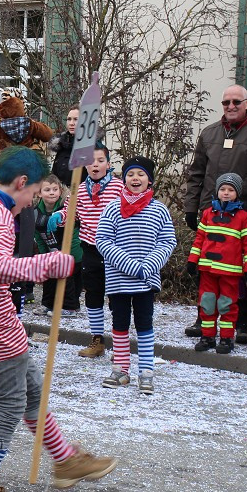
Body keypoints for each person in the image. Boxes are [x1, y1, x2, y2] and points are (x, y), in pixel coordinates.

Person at [0, 146, 115, 492]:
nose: (30, 204)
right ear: (21, 183)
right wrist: (46, 263)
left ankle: (65, 460)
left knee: (32, 389)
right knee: (9, 405)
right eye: (34, 194)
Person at [183, 85, 247, 344]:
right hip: (211, 216)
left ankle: (244, 324)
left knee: (242, 275)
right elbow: (196, 175)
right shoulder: (209, 133)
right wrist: (192, 207)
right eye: (226, 102)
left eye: (236, 101)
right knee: (207, 270)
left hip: (246, 218)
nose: (230, 106)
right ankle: (203, 319)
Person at [95, 157, 176, 395]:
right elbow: (103, 240)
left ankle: (146, 372)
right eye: (130, 174)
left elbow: (167, 241)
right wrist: (130, 265)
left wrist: (149, 265)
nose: (135, 179)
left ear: (149, 180)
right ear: (124, 180)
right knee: (119, 324)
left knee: (144, 325)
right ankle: (120, 369)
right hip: (119, 279)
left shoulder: (159, 209)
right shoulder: (112, 208)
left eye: (141, 174)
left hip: (146, 279)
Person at [47, 143, 122, 358]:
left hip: (114, 251)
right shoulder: (80, 189)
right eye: (91, 161)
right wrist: (58, 217)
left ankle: (119, 344)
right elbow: (71, 212)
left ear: (108, 164)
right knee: (93, 295)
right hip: (90, 248)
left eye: (100, 161)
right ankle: (97, 340)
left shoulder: (119, 188)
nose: (95, 165)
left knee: (116, 297)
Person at [186, 173, 247, 355]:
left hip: (230, 272)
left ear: (237, 193)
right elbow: (199, 239)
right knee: (207, 303)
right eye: (223, 189)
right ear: (217, 191)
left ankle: (226, 338)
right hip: (208, 269)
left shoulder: (243, 217)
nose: (226, 193)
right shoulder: (208, 214)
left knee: (227, 305)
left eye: (230, 190)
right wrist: (192, 260)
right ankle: (207, 336)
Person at [33, 175, 82, 317]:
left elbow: (73, 232)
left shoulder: (64, 210)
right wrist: (43, 254)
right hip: (50, 250)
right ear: (39, 193)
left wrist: (68, 253)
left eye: (55, 189)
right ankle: (48, 304)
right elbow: (38, 235)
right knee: (49, 277)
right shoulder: (37, 212)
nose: (52, 192)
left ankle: (70, 306)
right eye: (47, 189)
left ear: (60, 191)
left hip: (71, 251)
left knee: (67, 279)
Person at [49, 106, 80, 180]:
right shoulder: (62, 145)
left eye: (76, 119)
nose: (71, 123)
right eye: (69, 119)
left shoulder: (92, 146)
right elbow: (55, 175)